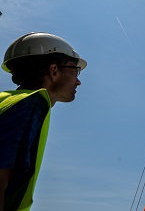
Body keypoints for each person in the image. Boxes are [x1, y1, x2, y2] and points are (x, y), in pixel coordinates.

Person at [0, 32, 86, 211]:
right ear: (54, 71)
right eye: (75, 70)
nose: (78, 81)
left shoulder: (9, 101)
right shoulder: (29, 103)